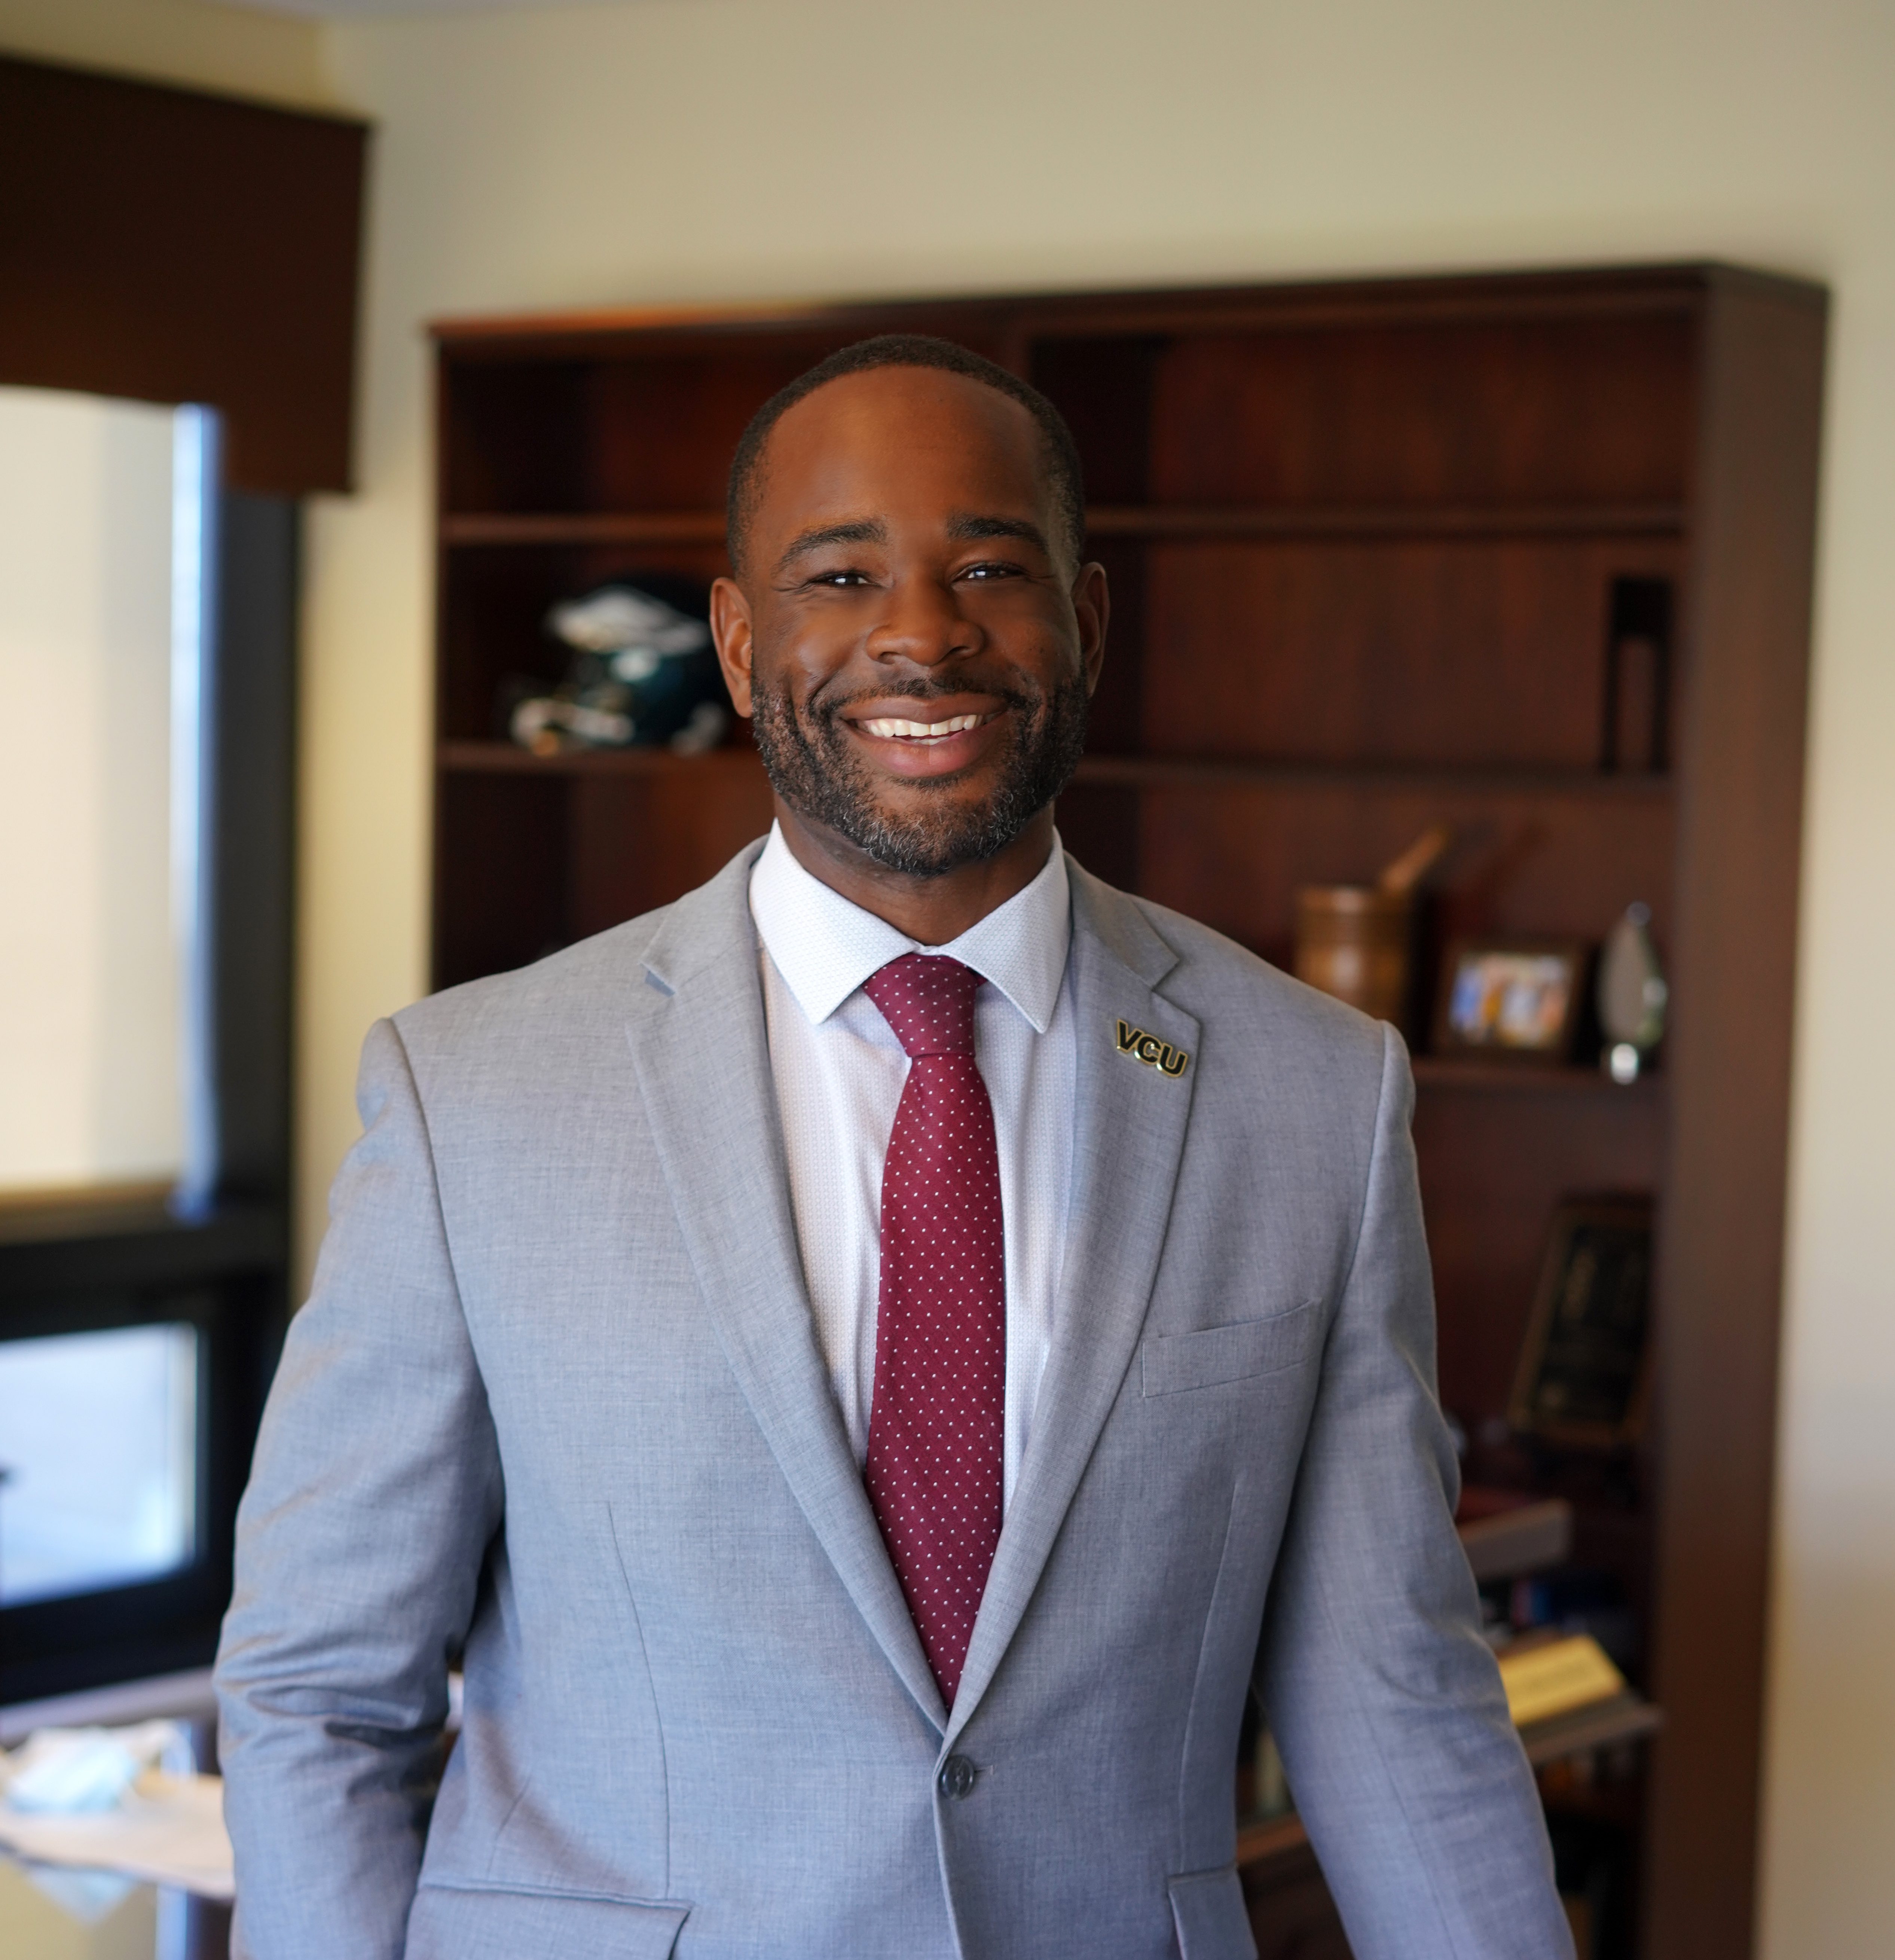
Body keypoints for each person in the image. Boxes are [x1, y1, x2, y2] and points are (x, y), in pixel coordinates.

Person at [215, 336, 1571, 1960]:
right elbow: (320, 1690)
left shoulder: (1316, 1093)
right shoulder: (471, 1094)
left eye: (989, 565)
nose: (921, 636)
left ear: (1087, 618)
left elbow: (1392, 1693)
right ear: (736, 641)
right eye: (840, 572)